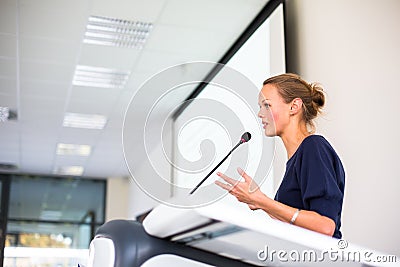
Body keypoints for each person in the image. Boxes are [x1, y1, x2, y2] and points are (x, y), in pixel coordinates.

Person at [215, 73, 345, 239]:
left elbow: (325, 226)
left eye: (267, 105)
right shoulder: (297, 158)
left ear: (294, 106)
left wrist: (262, 200)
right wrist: (258, 202)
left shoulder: (314, 147)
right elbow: (296, 226)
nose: (260, 114)